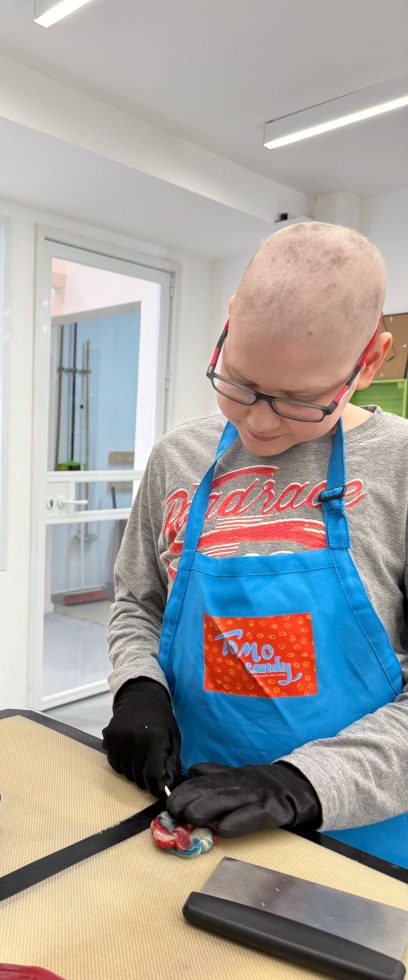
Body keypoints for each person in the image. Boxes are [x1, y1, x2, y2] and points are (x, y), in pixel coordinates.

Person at [102, 221, 408, 867]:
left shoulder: (400, 469)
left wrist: (303, 784)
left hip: (360, 840)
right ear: (228, 323)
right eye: (238, 382)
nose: (259, 420)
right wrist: (138, 687)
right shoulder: (178, 457)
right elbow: (137, 603)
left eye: (300, 400)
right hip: (191, 809)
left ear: (370, 361)